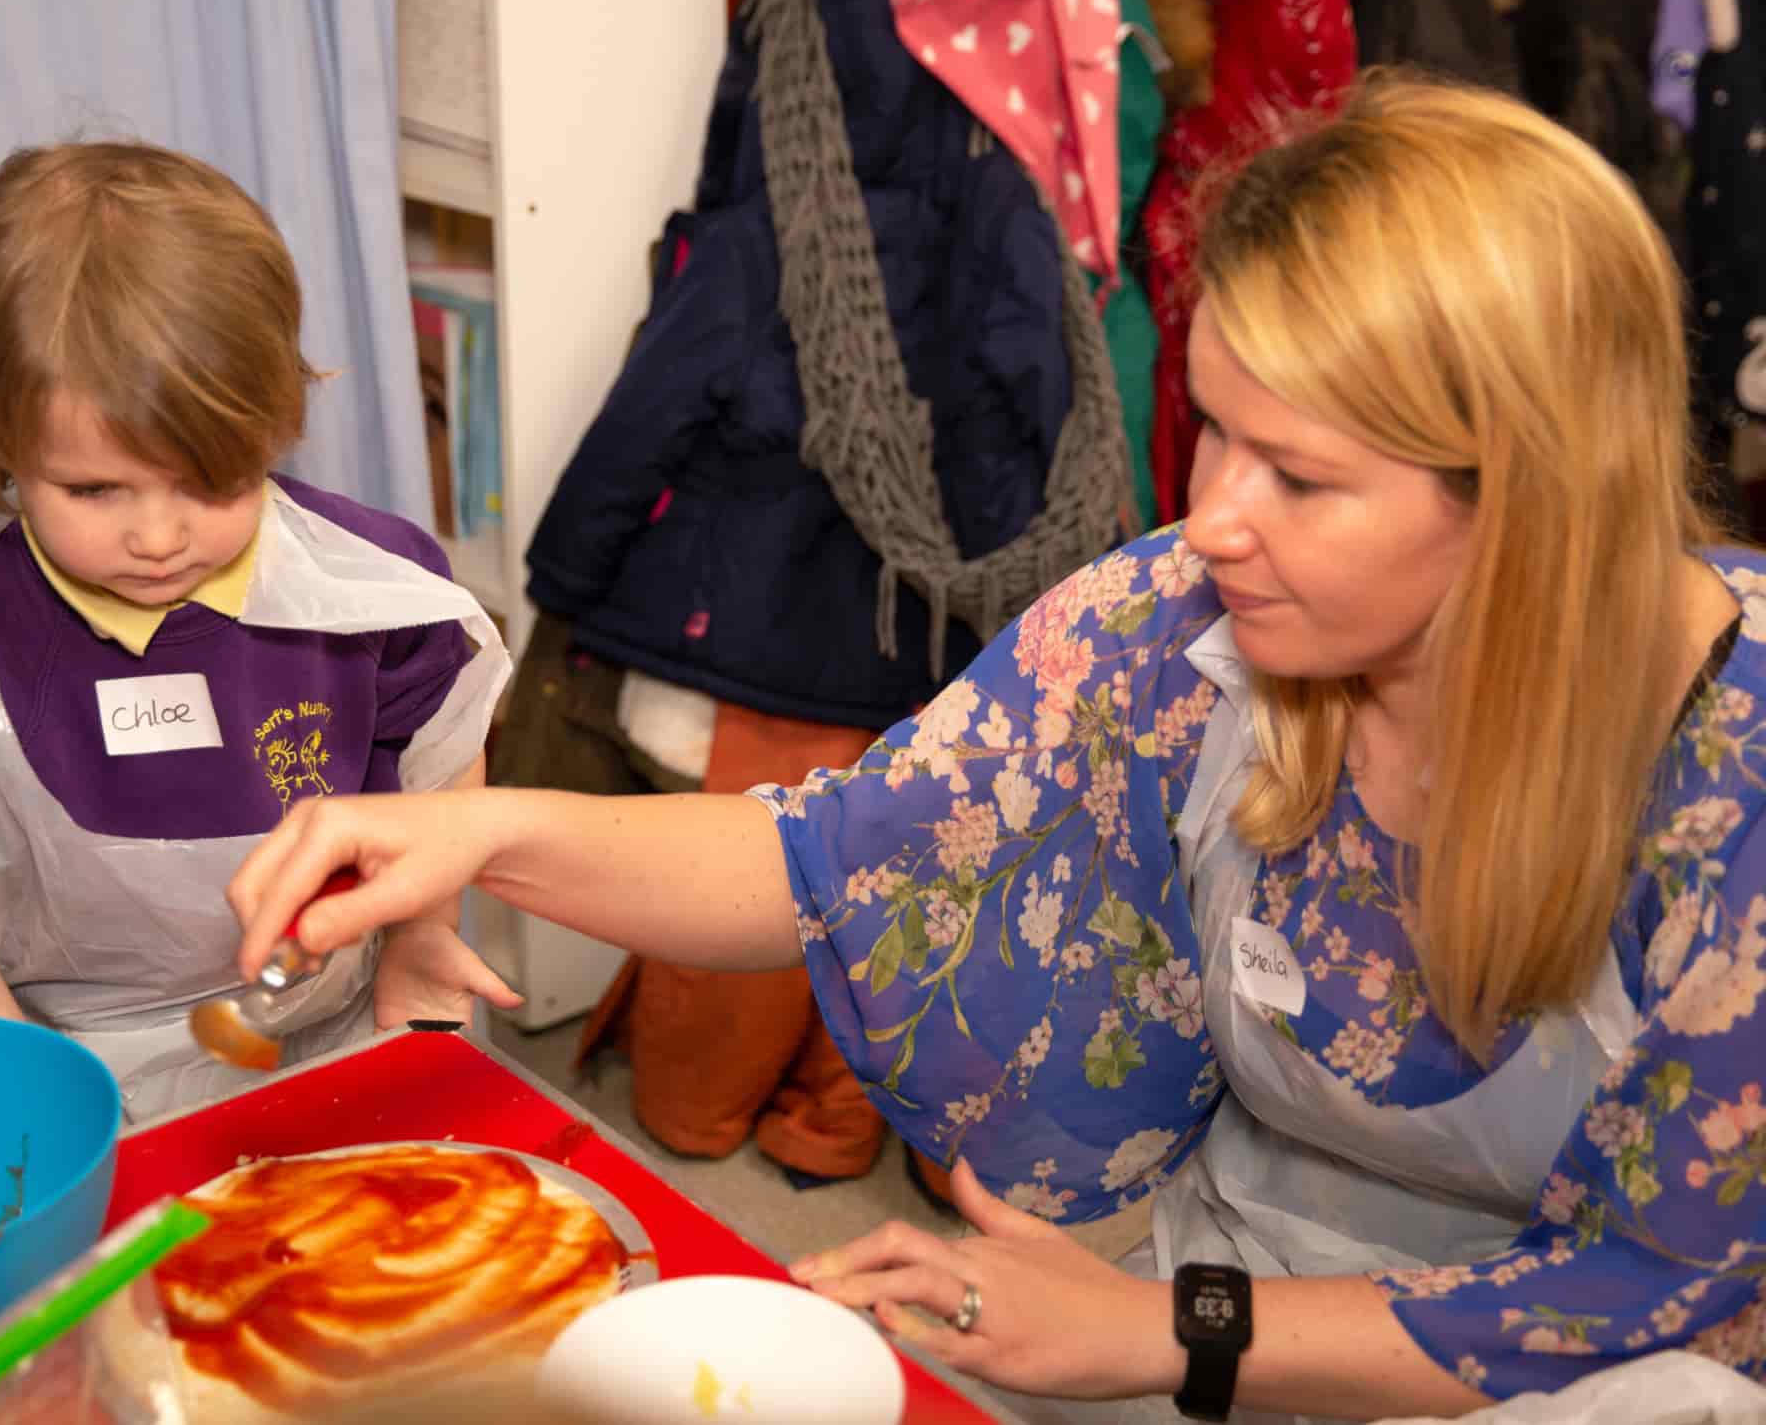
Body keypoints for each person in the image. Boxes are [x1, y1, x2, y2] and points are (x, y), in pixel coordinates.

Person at [225, 72, 1766, 1421]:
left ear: (1530, 498)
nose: (1211, 519)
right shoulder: (1183, 623)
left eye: (1298, 477)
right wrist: (489, 832)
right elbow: (842, 859)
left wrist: (1171, 1333)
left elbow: (1647, 1298)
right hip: (1221, 1314)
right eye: (1213, 432)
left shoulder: (1737, 781)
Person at [0, 140, 517, 1124]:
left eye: (210, 480)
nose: (157, 539)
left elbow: (437, 779)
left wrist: (418, 935)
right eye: (94, 490)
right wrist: (35, 1100)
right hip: (84, 1076)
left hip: (348, 1019)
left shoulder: (378, 593)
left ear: (275, 420)